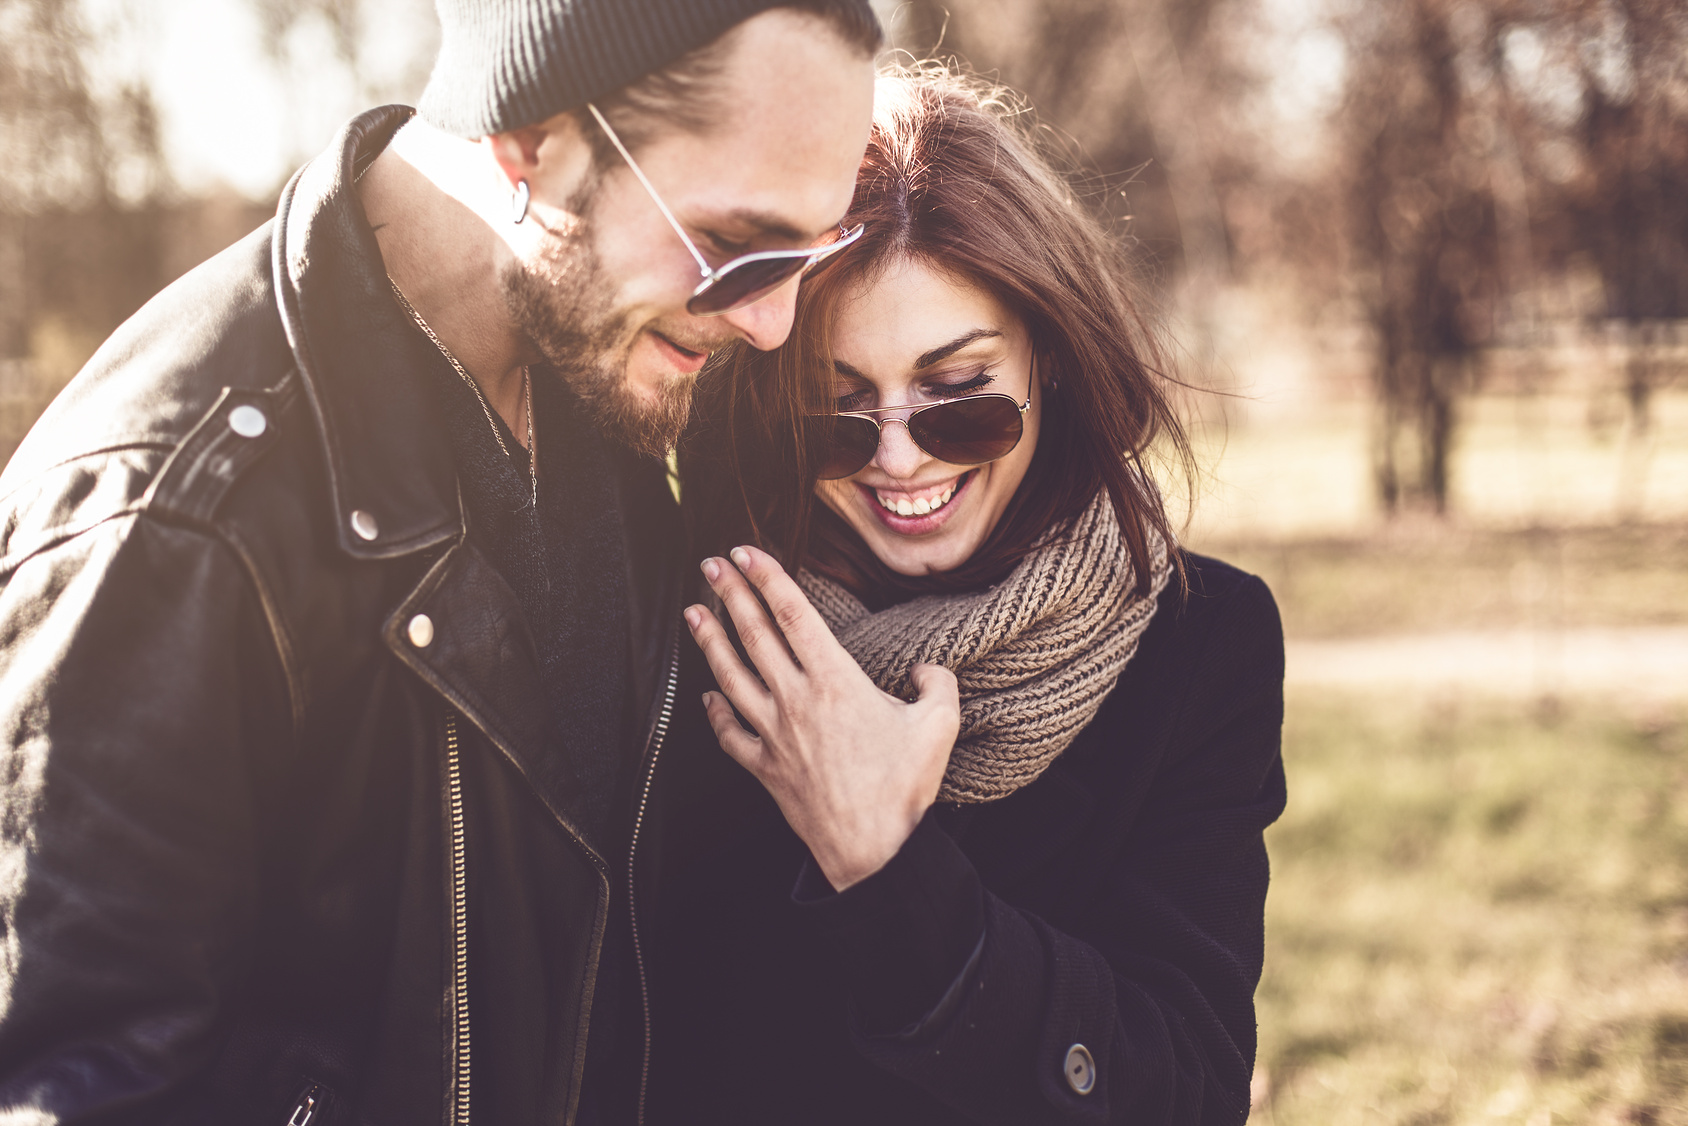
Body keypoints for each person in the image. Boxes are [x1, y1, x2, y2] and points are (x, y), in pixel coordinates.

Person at [0, 2, 880, 1122]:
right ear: (527, 137)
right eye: (739, 246)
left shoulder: (594, 381)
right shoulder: (167, 521)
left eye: (812, 249)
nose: (770, 321)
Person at [647, 66, 1288, 1124]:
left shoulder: (1201, 646)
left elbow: (1181, 1089)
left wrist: (887, 870)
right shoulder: (701, 628)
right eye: (837, 411)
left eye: (958, 397)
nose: (897, 459)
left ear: (1051, 357)